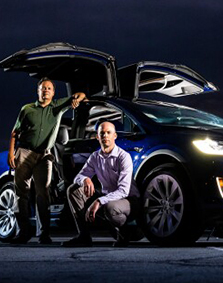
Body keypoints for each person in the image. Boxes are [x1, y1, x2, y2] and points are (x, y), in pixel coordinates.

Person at [9, 78, 86, 244]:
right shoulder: (27, 109)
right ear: (38, 91)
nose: (45, 91)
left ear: (53, 92)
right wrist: (11, 154)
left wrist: (76, 101)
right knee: (21, 193)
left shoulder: (58, 106)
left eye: (49, 88)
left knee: (43, 193)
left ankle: (44, 234)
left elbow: (81, 94)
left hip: (44, 156)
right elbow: (15, 132)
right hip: (24, 152)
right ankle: (23, 232)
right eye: (43, 88)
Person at [62, 121, 140, 248]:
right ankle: (84, 236)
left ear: (115, 136)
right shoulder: (95, 157)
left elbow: (124, 191)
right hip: (107, 198)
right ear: (97, 137)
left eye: (108, 133)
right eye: (102, 133)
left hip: (129, 201)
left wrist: (98, 201)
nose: (105, 136)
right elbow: (78, 177)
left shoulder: (123, 157)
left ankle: (124, 232)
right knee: (73, 190)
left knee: (111, 207)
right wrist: (85, 179)